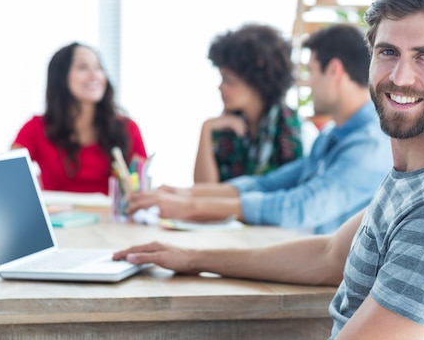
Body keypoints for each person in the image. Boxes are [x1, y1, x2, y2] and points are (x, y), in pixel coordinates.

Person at [114, 0, 424, 340]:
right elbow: (328, 256)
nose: (400, 76)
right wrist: (195, 258)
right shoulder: (422, 172)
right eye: (387, 52)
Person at [126, 23, 392, 234]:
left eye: (310, 72)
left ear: (334, 71)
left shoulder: (369, 143)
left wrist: (192, 206)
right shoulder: (334, 134)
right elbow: (269, 184)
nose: (307, 84)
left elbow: (301, 206)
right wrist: (184, 194)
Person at [12, 42, 147, 195]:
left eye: (99, 68)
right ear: (61, 77)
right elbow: (7, 175)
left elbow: (142, 189)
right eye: (82, 68)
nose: (94, 75)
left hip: (112, 218)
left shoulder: (127, 129)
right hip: (57, 217)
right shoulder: (36, 128)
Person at [194, 23, 303, 183]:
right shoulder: (224, 127)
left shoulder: (288, 125)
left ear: (256, 83)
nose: (220, 87)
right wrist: (206, 128)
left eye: (228, 80)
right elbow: (202, 190)